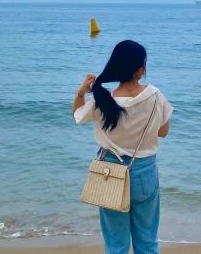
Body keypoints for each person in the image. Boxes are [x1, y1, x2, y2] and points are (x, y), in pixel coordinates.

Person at [73, 40, 173, 254]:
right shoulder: (156, 96)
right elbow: (163, 132)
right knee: (147, 240)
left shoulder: (104, 100)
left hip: (111, 171)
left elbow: (77, 116)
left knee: (116, 243)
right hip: (144, 172)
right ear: (140, 68)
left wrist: (81, 93)